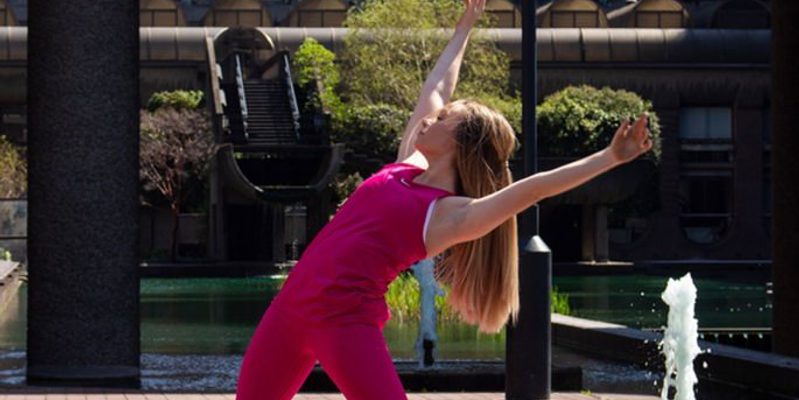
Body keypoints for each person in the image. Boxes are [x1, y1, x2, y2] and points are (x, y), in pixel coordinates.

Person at [235, 0, 653, 399]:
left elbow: (535, 187)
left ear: (458, 143)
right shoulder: (407, 164)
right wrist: (464, 29)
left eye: (441, 119)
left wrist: (609, 157)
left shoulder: (448, 215)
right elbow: (436, 86)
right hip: (291, 309)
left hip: (345, 321)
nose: (428, 118)